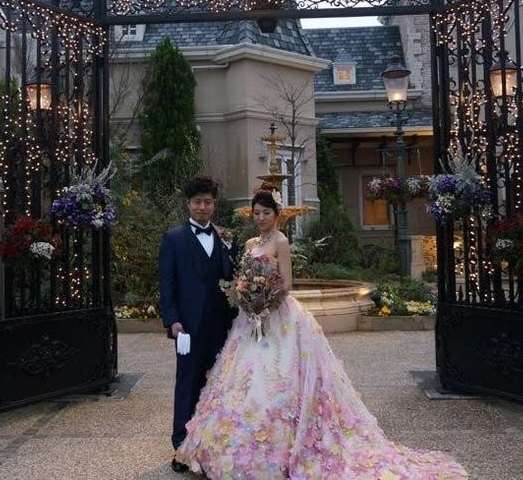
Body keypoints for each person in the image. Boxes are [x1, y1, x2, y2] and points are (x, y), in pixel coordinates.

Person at [175, 189, 468, 479]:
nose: (261, 218)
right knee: (240, 377)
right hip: (250, 319)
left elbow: (287, 284)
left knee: (279, 375)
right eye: (257, 213)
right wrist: (248, 299)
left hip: (276, 315)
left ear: (276, 215)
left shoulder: (281, 241)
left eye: (266, 213)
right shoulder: (251, 243)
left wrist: (265, 303)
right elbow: (242, 277)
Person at [159, 175, 237, 473]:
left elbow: (233, 280)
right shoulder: (174, 238)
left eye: (207, 202)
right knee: (188, 384)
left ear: (214, 204)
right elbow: (167, 284)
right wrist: (173, 320)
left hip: (221, 326)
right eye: (197, 202)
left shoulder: (226, 237)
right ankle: (182, 447)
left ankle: (212, 445)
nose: (202, 207)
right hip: (188, 328)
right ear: (188, 204)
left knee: (217, 385)